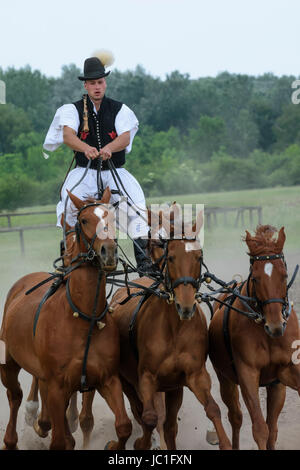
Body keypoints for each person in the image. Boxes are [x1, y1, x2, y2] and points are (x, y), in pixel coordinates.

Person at [43, 54, 153, 274]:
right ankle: (69, 257)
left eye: (100, 82)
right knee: (67, 202)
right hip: (85, 171)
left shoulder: (120, 109)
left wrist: (109, 148)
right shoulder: (71, 110)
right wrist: (86, 148)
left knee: (137, 205)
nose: (96, 87)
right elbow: (67, 135)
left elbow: (125, 137)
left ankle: (145, 264)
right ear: (85, 85)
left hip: (115, 172)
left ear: (105, 83)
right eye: (92, 83)